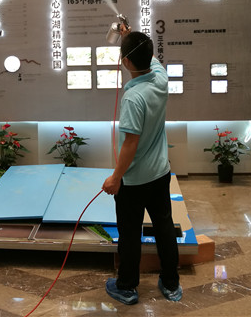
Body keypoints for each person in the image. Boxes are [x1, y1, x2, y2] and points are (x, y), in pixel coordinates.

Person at [102, 28, 182, 305]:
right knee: (164, 227)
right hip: (160, 173)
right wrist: (130, 33)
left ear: (125, 62)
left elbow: (130, 144)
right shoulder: (160, 78)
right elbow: (151, 58)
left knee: (129, 234)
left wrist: (116, 178)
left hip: (134, 181)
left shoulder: (133, 98)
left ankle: (126, 287)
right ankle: (171, 283)